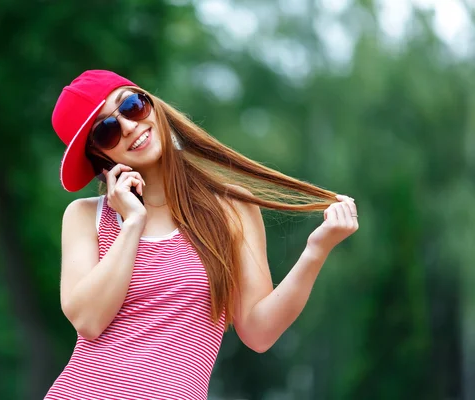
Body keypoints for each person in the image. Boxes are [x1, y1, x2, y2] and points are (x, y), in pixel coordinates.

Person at [44, 70, 358, 399]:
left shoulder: (232, 207)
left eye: (133, 106)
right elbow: (89, 320)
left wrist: (316, 250)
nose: (129, 127)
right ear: (99, 156)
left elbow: (259, 332)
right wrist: (133, 222)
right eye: (107, 131)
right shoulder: (86, 217)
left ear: (151, 104)